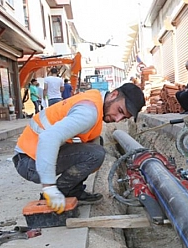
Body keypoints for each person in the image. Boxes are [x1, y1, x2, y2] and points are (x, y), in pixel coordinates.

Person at [13, 82, 146, 214]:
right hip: (30, 162)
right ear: (114, 95)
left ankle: (73, 191)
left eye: (124, 117)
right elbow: (48, 138)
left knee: (95, 144)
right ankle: (59, 194)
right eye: (120, 111)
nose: (117, 119)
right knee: (95, 154)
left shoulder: (95, 99)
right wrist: (49, 187)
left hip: (30, 155)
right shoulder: (89, 112)